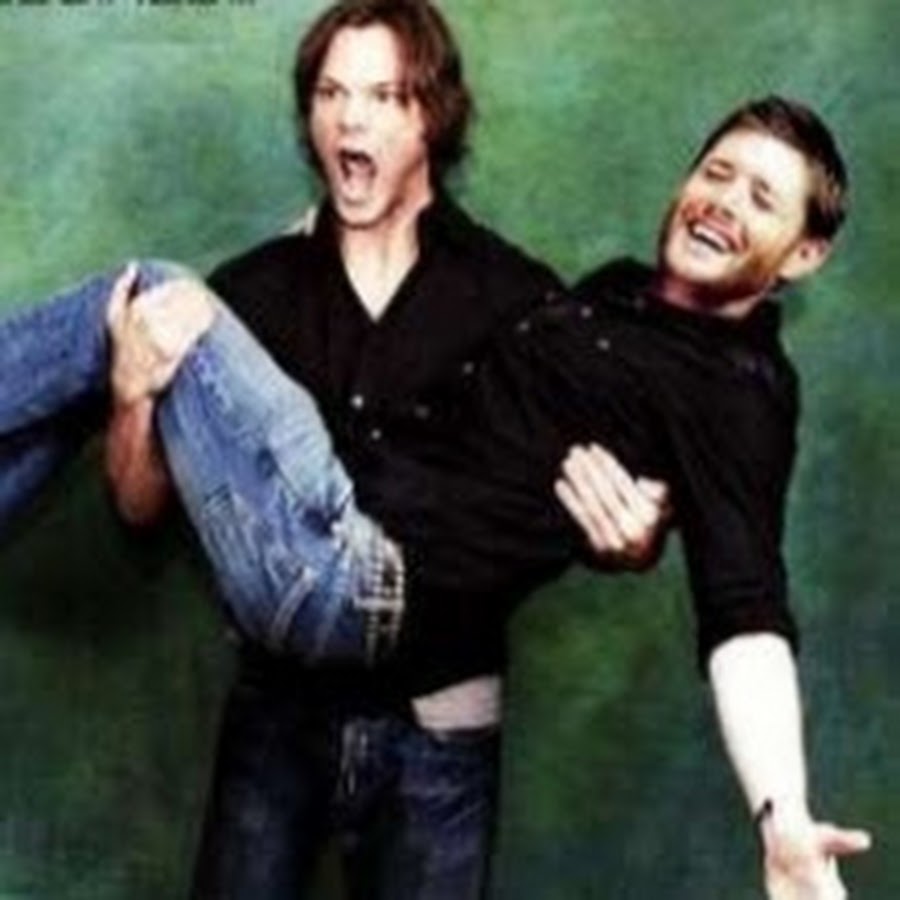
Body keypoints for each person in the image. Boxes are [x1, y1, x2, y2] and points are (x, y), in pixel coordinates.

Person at [0, 94, 873, 898]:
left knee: (157, 288)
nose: (723, 201)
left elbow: (747, 614)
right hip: (329, 545)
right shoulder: (610, 293)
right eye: (717, 172)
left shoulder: (740, 393)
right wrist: (309, 258)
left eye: (762, 197)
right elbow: (509, 435)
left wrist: (782, 815)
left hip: (356, 573)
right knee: (131, 329)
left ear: (804, 252)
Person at [102, 1, 666, 898]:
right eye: (330, 94)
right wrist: (132, 392)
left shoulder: (518, 300)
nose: (348, 120)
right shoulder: (247, 297)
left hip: (443, 731)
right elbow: (139, 504)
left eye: (382, 95)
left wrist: (634, 538)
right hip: (273, 716)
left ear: (432, 116)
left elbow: (596, 503)